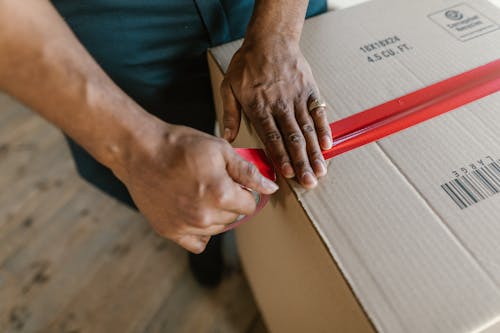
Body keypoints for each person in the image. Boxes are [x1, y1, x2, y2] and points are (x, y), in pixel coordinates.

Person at [0, 0, 331, 286]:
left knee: (288, 138)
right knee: (179, 186)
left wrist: (279, 32)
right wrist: (141, 152)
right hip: (111, 18)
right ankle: (205, 244)